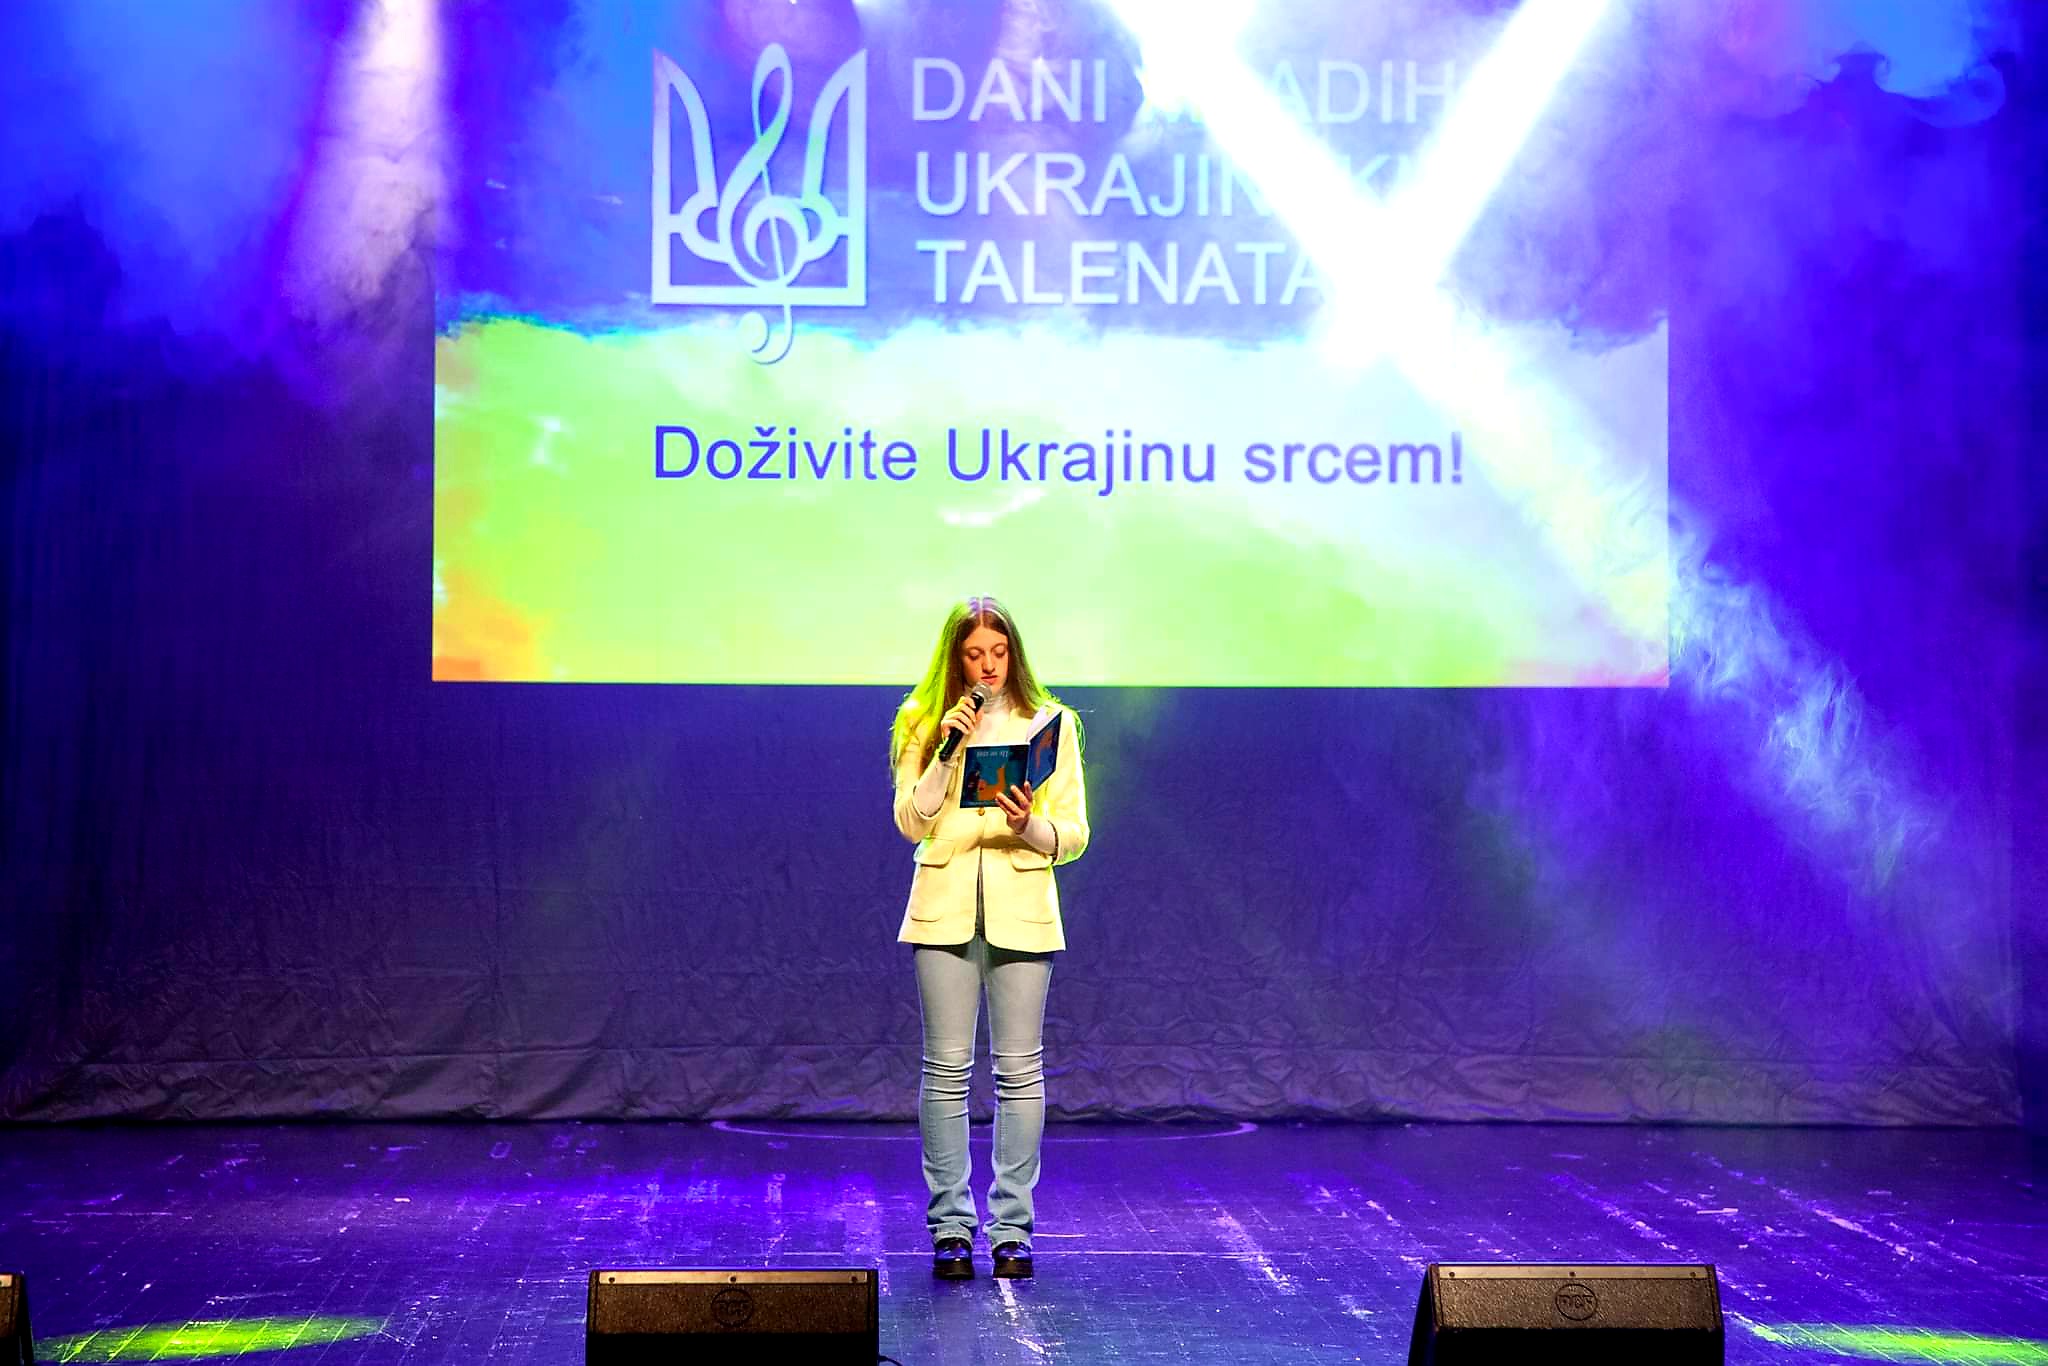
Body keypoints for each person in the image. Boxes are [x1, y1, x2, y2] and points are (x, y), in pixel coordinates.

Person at [890, 595, 1089, 1281]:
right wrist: (946, 752)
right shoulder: (923, 722)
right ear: (955, 659)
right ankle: (950, 1228)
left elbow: (1074, 833)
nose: (988, 666)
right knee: (946, 1071)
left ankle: (1012, 1231)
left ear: (1014, 654)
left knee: (1019, 1070)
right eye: (975, 654)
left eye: (999, 653)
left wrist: (1030, 824)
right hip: (943, 907)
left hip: (1022, 902)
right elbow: (911, 822)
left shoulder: (1050, 723)